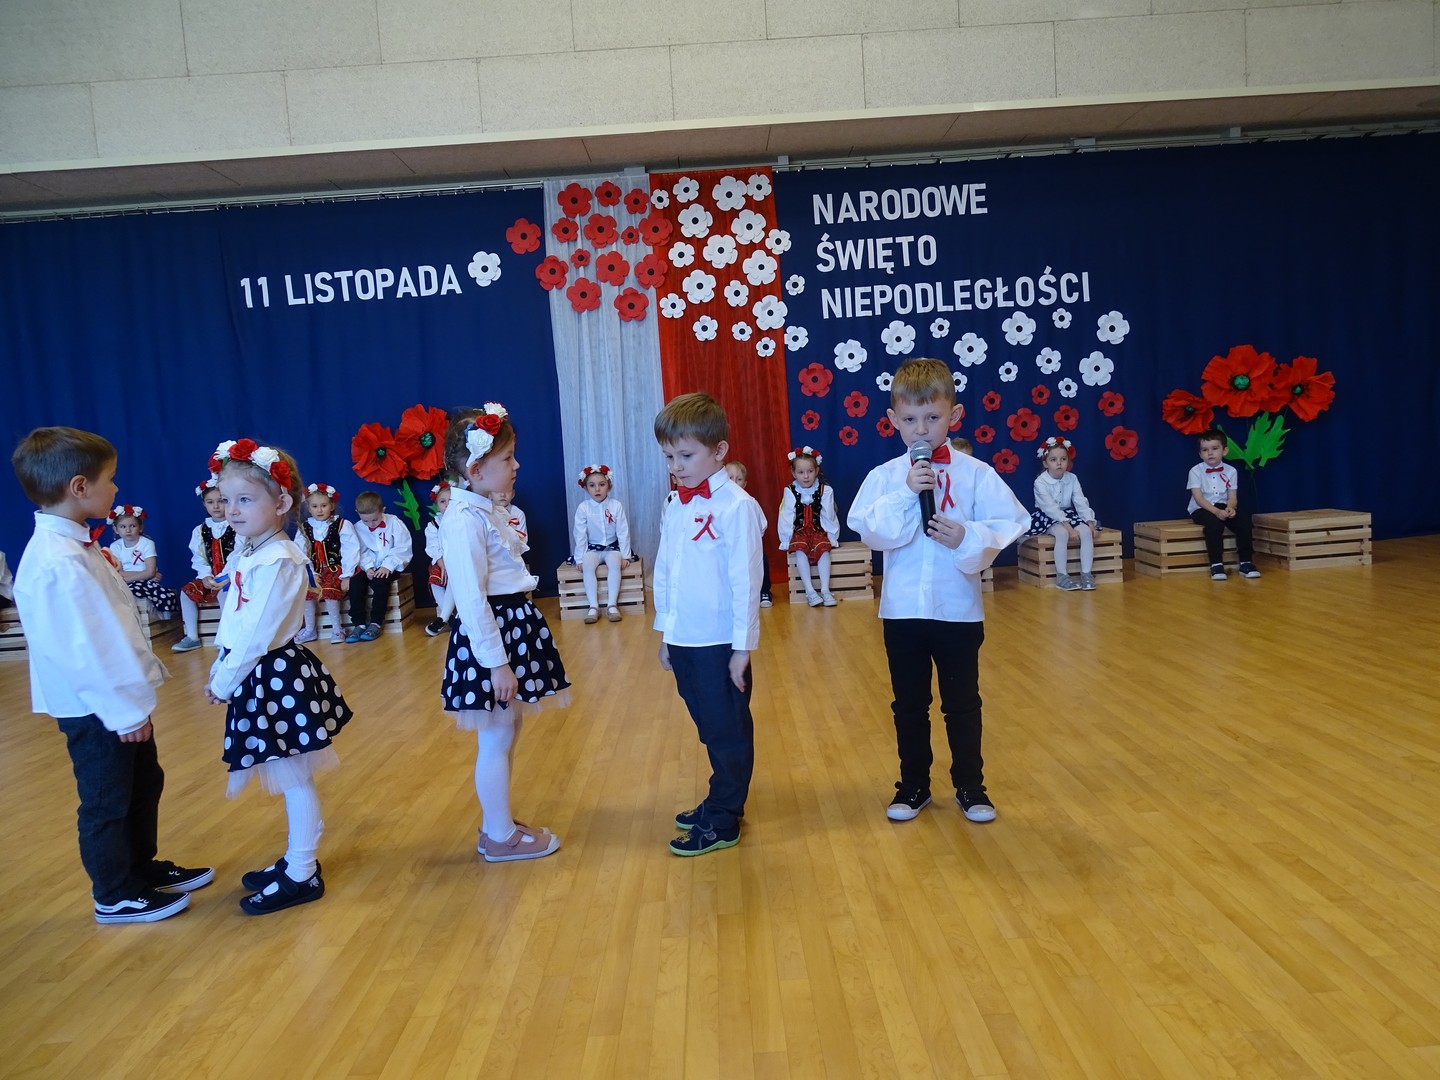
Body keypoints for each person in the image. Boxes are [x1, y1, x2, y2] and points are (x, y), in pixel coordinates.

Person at [11, 426, 212, 924]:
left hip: (117, 700)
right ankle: (114, 891)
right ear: (80, 487)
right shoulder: (57, 561)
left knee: (143, 783)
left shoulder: (76, 545)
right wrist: (123, 711)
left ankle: (139, 868)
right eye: (111, 479)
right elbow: (83, 650)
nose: (117, 488)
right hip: (96, 706)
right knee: (107, 798)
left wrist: (134, 698)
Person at [848, 357, 1029, 825]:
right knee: (909, 705)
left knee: (962, 703)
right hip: (903, 611)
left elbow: (1012, 521)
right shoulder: (886, 476)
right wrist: (907, 492)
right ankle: (913, 786)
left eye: (933, 417)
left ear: (954, 415)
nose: (922, 430)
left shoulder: (976, 473)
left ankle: (971, 785)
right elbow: (870, 530)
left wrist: (967, 536)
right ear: (893, 420)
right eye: (910, 419)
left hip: (958, 611)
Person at [203, 438, 353, 915]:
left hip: (274, 675)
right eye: (226, 499)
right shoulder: (252, 550)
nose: (231, 510)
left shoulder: (280, 558)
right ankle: (295, 859)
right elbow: (235, 619)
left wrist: (223, 681)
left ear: (282, 502)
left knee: (292, 775)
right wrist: (220, 665)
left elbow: (257, 635)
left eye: (245, 499)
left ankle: (302, 871)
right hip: (258, 674)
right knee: (288, 773)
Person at [440, 403, 570, 862]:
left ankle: (500, 821)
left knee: (507, 729)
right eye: (507, 458)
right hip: (492, 638)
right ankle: (498, 835)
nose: (516, 466)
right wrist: (497, 663)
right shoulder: (462, 520)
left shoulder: (484, 510)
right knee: (495, 736)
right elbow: (472, 599)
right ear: (476, 470)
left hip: (511, 626)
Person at [653, 392, 763, 856]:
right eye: (669, 457)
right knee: (706, 722)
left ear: (719, 451)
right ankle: (721, 797)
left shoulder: (737, 507)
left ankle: (724, 817)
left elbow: (747, 580)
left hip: (720, 641)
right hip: (685, 636)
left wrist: (742, 648)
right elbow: (666, 569)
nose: (676, 467)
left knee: (727, 727)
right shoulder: (675, 502)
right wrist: (666, 632)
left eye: (685, 455)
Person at [1027, 436, 1100, 591]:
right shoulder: (1040, 482)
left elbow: (1080, 501)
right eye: (1053, 460)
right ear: (1045, 463)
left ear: (1068, 461)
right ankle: (1062, 576)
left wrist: (1090, 523)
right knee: (1062, 534)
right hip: (1047, 516)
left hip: (1067, 514)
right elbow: (1050, 508)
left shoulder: (1072, 478)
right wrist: (1069, 529)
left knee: (1086, 532)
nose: (1059, 463)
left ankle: (1086, 574)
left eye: (1063, 459)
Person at [1188, 429, 1262, 581]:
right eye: (1205, 450)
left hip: (1223, 506)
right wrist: (1216, 511)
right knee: (1214, 524)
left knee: (1244, 522)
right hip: (1202, 508)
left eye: (1215, 448)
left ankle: (1246, 562)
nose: (1210, 453)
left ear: (1224, 450)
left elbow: (1232, 496)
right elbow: (1198, 498)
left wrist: (1231, 508)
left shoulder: (1231, 471)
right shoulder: (1195, 471)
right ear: (1200, 454)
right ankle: (1216, 564)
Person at [173, 476, 235, 653]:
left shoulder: (237, 526)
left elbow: (238, 555)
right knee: (186, 592)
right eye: (210, 502)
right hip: (210, 576)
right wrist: (206, 576)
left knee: (225, 593)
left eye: (221, 501)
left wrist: (223, 577)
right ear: (204, 504)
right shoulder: (200, 530)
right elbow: (199, 557)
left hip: (230, 576)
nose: (216, 506)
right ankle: (192, 636)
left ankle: (226, 638)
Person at [294, 482, 359, 645]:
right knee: (307, 591)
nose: (319, 510)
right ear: (309, 508)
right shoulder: (304, 528)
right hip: (314, 571)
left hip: (335, 570)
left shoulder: (342, 525)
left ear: (332, 506)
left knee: (330, 590)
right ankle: (310, 629)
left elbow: (350, 550)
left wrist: (347, 575)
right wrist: (310, 573)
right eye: (315, 506)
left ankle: (337, 628)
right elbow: (300, 553)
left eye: (323, 505)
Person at [571, 463, 634, 624]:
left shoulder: (616, 505)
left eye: (602, 484)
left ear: (609, 486)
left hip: (612, 547)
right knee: (587, 565)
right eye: (592, 486)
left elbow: (623, 531)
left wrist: (625, 555)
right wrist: (579, 558)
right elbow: (580, 534)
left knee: (615, 563)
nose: (597, 489)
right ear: (586, 488)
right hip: (593, 548)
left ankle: (612, 605)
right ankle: (593, 606)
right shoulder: (583, 508)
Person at [778, 446, 840, 607]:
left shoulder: (825, 490)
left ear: (816, 471)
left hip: (818, 530)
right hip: (800, 531)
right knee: (800, 549)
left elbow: (829, 515)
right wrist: (786, 538)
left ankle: (825, 590)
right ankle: (810, 591)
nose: (806, 476)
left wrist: (832, 536)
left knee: (824, 549)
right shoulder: (790, 491)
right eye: (800, 472)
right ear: (793, 473)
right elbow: (786, 515)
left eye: (810, 471)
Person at [349, 490, 413, 642]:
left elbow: (402, 548)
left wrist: (387, 566)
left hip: (391, 566)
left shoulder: (394, 523)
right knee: (356, 583)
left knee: (380, 583)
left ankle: (376, 623)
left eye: (375, 520)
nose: (371, 524)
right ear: (358, 513)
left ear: (383, 510)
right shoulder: (357, 528)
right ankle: (359, 624)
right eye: (366, 521)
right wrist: (368, 567)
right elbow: (361, 551)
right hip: (369, 566)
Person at [106, 504, 179, 618]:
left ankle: (150, 617)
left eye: (133, 526)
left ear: (140, 527)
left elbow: (150, 571)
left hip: (143, 582)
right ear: (116, 529)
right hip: (128, 581)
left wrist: (126, 579)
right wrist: (144, 574)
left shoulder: (147, 543)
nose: (128, 530)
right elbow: (118, 572)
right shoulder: (115, 546)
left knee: (138, 589)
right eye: (123, 526)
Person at [726, 461, 772, 607]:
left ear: (744, 484)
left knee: (761, 560)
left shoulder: (750, 502)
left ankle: (764, 591)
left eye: (739, 479)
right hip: (727, 548)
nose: (734, 483)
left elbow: (762, 523)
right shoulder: (720, 503)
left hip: (748, 547)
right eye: (730, 478)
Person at [423, 481, 453, 637]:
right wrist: (442, 564)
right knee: (435, 580)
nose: (447, 505)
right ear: (436, 505)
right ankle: (449, 618)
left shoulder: (464, 520)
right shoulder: (434, 525)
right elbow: (432, 546)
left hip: (461, 561)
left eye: (451, 501)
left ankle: (443, 618)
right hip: (442, 562)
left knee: (455, 577)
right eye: (442, 501)